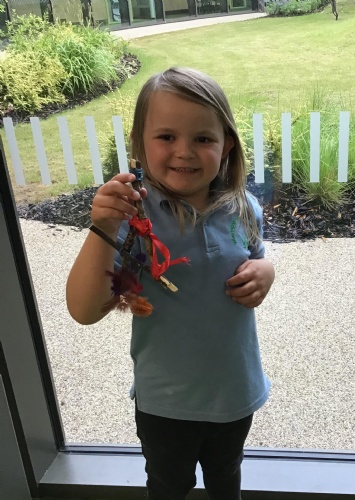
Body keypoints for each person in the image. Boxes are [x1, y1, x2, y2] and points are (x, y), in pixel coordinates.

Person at [66, 67, 275, 500]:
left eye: (202, 138)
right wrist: (102, 227)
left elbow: (255, 258)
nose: (184, 152)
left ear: (226, 144)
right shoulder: (133, 220)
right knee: (168, 486)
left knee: (227, 476)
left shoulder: (244, 208)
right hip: (165, 403)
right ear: (139, 143)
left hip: (234, 391)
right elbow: (84, 310)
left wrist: (266, 272)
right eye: (166, 136)